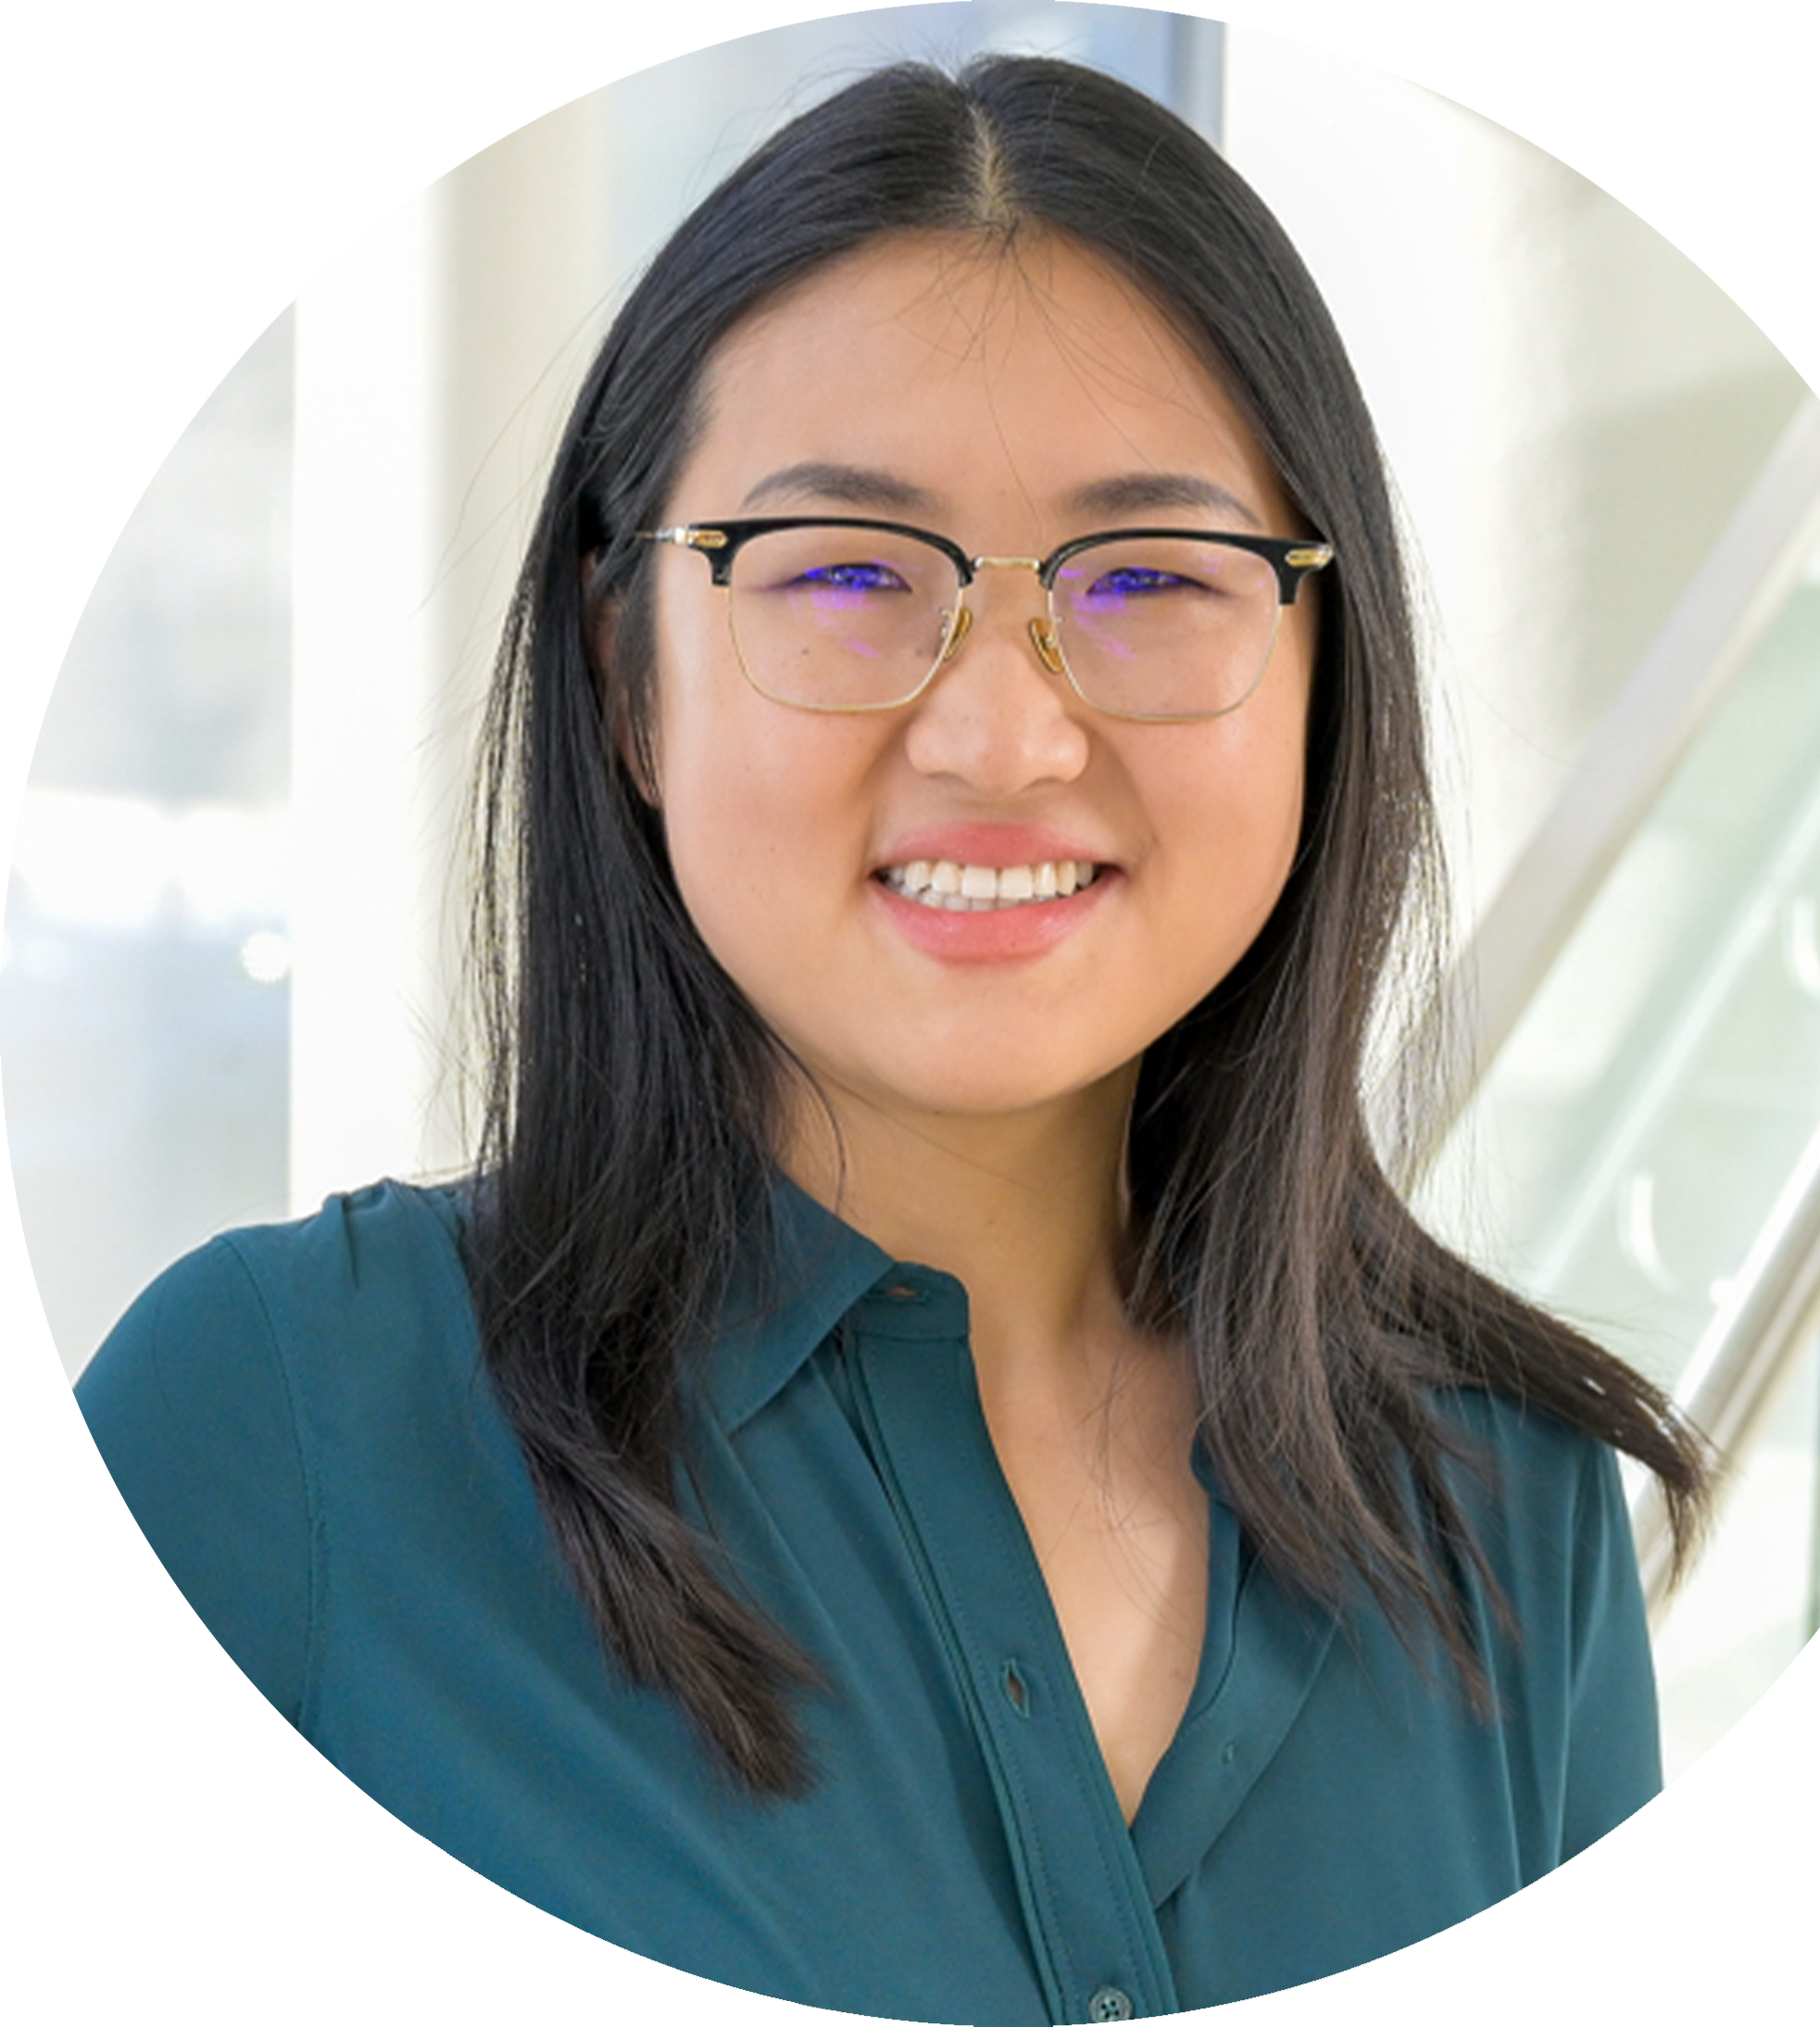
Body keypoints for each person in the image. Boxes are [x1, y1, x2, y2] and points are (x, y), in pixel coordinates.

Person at [75, 52, 1712, 2025]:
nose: (1003, 734)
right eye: (847, 573)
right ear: (626, 679)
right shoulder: (280, 1429)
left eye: (1148, 580)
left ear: (1317, 676)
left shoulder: (1502, 1505)